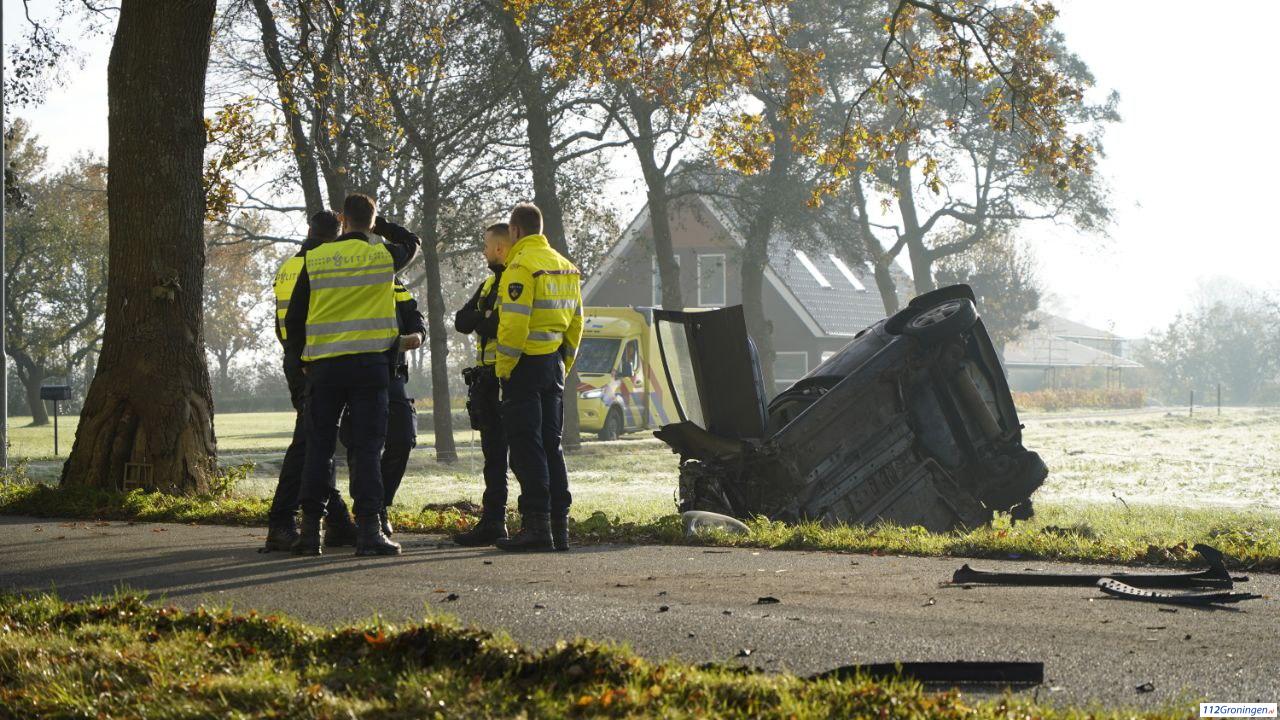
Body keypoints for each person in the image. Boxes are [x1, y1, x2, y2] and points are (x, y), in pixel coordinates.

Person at [284, 193, 421, 556]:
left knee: (319, 448)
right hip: (369, 367)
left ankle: (309, 533)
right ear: (371, 222)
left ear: (342, 220)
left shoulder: (315, 258)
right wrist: (382, 226)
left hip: (324, 367)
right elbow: (412, 241)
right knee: (367, 449)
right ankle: (370, 532)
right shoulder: (382, 256)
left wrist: (301, 360)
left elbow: (294, 317)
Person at [263, 211, 357, 552]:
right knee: (307, 445)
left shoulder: (288, 266)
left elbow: (282, 321)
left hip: (295, 359)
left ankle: (337, 521)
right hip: (315, 361)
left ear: (309, 230)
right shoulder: (325, 264)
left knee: (317, 442)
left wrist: (294, 356)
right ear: (338, 234)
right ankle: (281, 522)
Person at [493, 203, 583, 552]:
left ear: (515, 231)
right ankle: (560, 527)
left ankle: (536, 527)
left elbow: (514, 324)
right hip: (553, 365)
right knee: (551, 445)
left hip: (524, 366)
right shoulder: (566, 268)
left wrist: (504, 367)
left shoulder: (520, 267)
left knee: (526, 447)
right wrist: (564, 363)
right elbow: (576, 324)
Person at [338, 280, 424, 537]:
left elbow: (413, 316)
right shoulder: (347, 277)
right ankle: (368, 514)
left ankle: (380, 506)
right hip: (356, 373)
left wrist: (417, 335)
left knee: (403, 438)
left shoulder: (393, 281)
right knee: (362, 446)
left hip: (392, 373)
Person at [451, 223, 511, 546]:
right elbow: (461, 321)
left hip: (510, 377)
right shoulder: (488, 285)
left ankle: (533, 522)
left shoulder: (515, 280)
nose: (484, 251)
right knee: (493, 456)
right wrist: (484, 319)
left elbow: (501, 325)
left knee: (521, 455)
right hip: (487, 380)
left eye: (486, 245)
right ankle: (493, 521)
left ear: (500, 247)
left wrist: (484, 320)